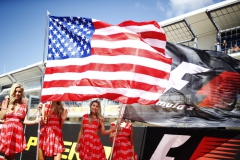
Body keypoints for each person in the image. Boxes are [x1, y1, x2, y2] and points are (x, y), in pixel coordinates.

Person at [0, 83, 41, 160]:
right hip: (7, 131)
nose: (17, 93)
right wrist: (6, 105)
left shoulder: (24, 105)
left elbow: (25, 121)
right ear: (12, 92)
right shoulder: (6, 102)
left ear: (22, 93)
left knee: (11, 156)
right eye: (15, 91)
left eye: (19, 92)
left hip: (17, 131)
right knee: (7, 155)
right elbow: (1, 117)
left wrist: (35, 121)